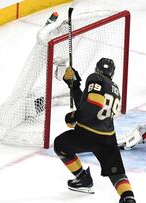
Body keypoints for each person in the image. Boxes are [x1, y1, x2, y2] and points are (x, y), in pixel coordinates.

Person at [54, 58, 136, 203]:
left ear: (97, 69)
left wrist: (75, 117)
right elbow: (86, 103)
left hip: (87, 133)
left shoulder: (95, 77)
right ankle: (128, 198)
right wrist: (74, 84)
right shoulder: (115, 89)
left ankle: (82, 178)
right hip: (108, 137)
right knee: (117, 173)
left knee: (60, 145)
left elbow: (93, 104)